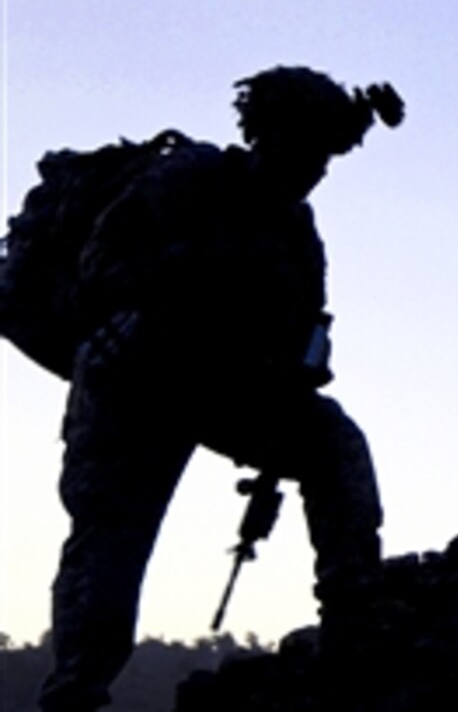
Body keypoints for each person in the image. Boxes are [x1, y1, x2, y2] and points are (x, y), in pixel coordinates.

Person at [37, 66, 404, 711]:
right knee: (111, 546)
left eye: (324, 157)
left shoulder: (296, 229)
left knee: (334, 443)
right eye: (303, 150)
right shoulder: (190, 181)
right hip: (133, 383)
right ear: (267, 137)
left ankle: (356, 620)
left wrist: (298, 366)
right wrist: (197, 279)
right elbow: (102, 269)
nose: (313, 169)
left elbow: (303, 323)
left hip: (225, 386)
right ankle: (75, 693)